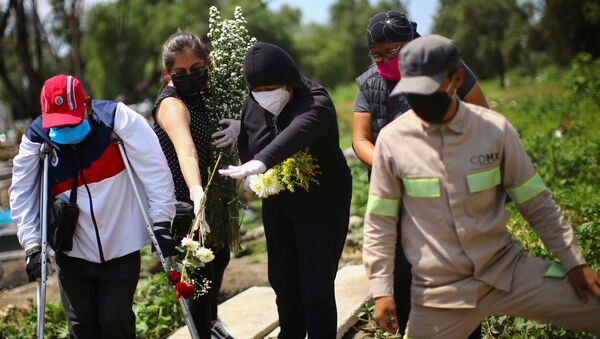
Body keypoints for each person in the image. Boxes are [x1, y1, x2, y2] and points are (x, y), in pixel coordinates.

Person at [363, 35, 600, 338]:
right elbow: (380, 222)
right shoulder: (392, 141)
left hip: (508, 271)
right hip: (439, 293)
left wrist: (574, 263)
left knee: (594, 304)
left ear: (456, 79)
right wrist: (382, 290)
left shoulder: (494, 130)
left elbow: (536, 203)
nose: (419, 101)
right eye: (412, 92)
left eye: (428, 90)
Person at [9, 74, 178, 338]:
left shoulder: (117, 118)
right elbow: (22, 193)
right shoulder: (37, 138)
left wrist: (161, 221)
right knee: (81, 328)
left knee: (115, 323)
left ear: (86, 104)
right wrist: (32, 245)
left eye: (70, 121)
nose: (64, 129)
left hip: (121, 244)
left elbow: (154, 169)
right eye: (57, 123)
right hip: (72, 249)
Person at [353, 11, 488, 336]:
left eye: (393, 52)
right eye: (377, 55)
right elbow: (360, 139)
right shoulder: (369, 84)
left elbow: (484, 112)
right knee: (404, 276)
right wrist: (391, 163)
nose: (385, 60)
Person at [219, 42, 352, 338]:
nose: (265, 94)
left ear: (289, 81)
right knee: (283, 281)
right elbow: (253, 138)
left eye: (272, 87)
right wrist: (244, 143)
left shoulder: (315, 101)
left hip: (322, 202)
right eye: (258, 89)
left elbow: (297, 131)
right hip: (279, 201)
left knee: (316, 285)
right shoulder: (254, 103)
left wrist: (260, 162)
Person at [152, 31, 236, 339]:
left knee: (219, 261)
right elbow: (186, 150)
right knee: (199, 278)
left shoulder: (204, 96)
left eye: (197, 68)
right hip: (185, 204)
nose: (190, 76)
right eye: (181, 72)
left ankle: (211, 324)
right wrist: (196, 191)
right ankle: (204, 330)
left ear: (207, 63)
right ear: (168, 74)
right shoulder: (172, 104)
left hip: (211, 199)